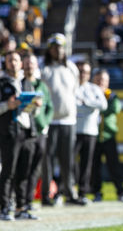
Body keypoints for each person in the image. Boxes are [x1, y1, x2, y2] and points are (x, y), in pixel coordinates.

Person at [41, 33, 81, 206]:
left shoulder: (71, 67)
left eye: (61, 47)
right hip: (50, 121)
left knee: (68, 160)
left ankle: (70, 193)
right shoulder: (43, 68)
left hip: (68, 120)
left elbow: (75, 90)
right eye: (55, 47)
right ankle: (46, 195)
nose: (58, 50)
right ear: (49, 49)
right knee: (47, 160)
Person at [0, 51, 39, 220]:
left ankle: (21, 207)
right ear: (5, 63)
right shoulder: (2, 83)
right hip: (10, 130)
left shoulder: (26, 83)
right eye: (10, 60)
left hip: (27, 130)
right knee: (8, 171)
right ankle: (4, 207)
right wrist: (7, 105)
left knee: (24, 171)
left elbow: (31, 112)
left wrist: (35, 105)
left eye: (16, 60)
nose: (13, 63)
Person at [91, 69, 123, 203]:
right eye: (98, 80)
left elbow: (115, 108)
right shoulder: (90, 93)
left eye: (104, 80)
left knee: (114, 165)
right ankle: (96, 192)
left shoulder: (111, 95)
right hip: (93, 135)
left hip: (108, 135)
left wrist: (98, 107)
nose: (101, 83)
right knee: (94, 166)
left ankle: (120, 191)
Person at [22, 53, 53, 213]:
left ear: (36, 66)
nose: (29, 66)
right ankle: (19, 199)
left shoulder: (42, 86)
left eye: (31, 64)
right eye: (26, 64)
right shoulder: (19, 84)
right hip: (24, 131)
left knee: (35, 168)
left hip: (40, 131)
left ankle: (28, 199)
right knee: (22, 166)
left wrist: (45, 123)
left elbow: (49, 108)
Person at [74, 61, 107, 204]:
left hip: (90, 131)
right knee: (69, 164)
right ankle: (66, 191)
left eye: (86, 72)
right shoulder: (72, 87)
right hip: (74, 130)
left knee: (86, 165)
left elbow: (103, 105)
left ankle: (83, 192)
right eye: (80, 71)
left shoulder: (93, 89)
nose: (83, 75)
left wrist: (86, 102)